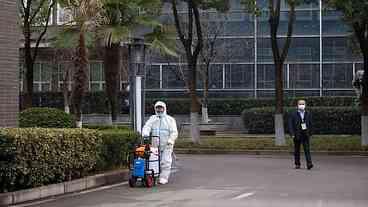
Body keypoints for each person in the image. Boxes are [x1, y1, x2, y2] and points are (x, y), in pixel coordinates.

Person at [142, 101, 178, 184]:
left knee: (165, 161)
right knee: (154, 160)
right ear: (155, 108)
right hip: (155, 144)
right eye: (157, 108)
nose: (159, 109)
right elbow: (147, 127)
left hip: (167, 144)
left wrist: (171, 140)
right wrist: (145, 134)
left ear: (164, 108)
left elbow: (174, 132)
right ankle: (154, 176)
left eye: (161, 108)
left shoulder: (170, 119)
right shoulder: (153, 118)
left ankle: (164, 177)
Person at [288, 100, 314, 170]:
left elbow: (311, 123)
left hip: (305, 134)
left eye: (303, 104)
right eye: (300, 104)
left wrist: (311, 133)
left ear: (305, 105)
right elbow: (290, 124)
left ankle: (309, 163)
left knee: (307, 150)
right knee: (297, 150)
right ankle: (297, 163)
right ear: (297, 105)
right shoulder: (293, 114)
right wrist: (292, 134)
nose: (301, 105)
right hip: (297, 134)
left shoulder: (308, 113)